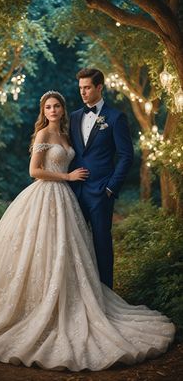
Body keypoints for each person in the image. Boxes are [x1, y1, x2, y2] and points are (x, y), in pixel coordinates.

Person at [0, 91, 175, 372]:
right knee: (40, 249)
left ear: (63, 109)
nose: (53, 110)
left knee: (66, 251)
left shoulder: (69, 137)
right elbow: (34, 171)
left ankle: (69, 300)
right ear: (43, 110)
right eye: (48, 106)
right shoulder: (43, 135)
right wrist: (67, 176)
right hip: (44, 195)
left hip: (67, 200)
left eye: (57, 106)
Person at [69, 68, 134, 289]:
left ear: (99, 87)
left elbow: (126, 156)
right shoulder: (74, 117)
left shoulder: (116, 118)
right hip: (74, 190)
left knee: (101, 243)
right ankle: (78, 291)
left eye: (87, 88)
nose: (83, 93)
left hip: (101, 191)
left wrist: (111, 188)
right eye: (80, 88)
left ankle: (106, 293)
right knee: (73, 243)